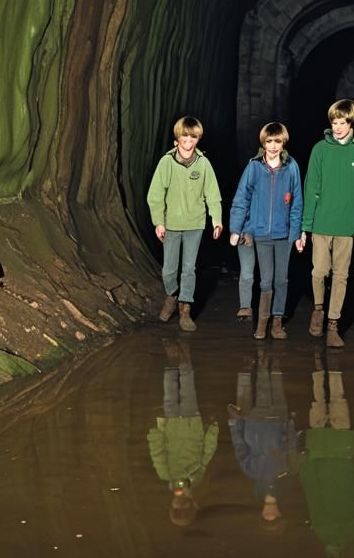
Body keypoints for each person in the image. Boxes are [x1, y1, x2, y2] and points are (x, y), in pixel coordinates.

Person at [299, 99, 354, 348]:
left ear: (351, 123)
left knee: (341, 276)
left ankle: (333, 324)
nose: (337, 127)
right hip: (321, 223)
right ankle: (318, 308)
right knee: (319, 271)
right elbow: (311, 188)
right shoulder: (320, 149)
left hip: (347, 226)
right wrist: (306, 227)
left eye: (342, 123)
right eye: (334, 122)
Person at [146, 115, 222, 331]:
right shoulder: (167, 162)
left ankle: (185, 308)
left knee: (189, 268)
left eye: (193, 136)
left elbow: (213, 194)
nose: (188, 140)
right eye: (185, 136)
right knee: (169, 269)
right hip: (171, 224)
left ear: (198, 139)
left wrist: (216, 220)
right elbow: (155, 195)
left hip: (195, 224)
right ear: (177, 137)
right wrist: (158, 222)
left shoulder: (203, 164)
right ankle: (172, 294)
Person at [229, 122, 304, 339]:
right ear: (263, 143)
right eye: (269, 141)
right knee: (266, 280)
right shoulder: (254, 167)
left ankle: (277, 322)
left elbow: (297, 202)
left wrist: (296, 233)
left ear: (283, 143)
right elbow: (241, 198)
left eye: (277, 141)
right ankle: (262, 322)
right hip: (261, 233)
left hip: (284, 234)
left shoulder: (291, 167)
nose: (273, 146)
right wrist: (236, 228)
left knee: (282, 279)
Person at [297, 352, 354, 555]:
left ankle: (324, 368)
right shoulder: (349, 532)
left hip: (335, 454)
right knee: (327, 403)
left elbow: (314, 496)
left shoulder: (351, 532)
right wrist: (306, 465)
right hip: (331, 454)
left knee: (328, 403)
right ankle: (325, 368)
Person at [147, 340, 219, 527]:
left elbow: (157, 453)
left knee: (170, 393)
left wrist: (154, 434)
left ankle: (173, 361)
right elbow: (208, 452)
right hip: (190, 424)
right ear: (192, 504)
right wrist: (213, 430)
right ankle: (184, 358)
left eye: (176, 508)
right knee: (187, 389)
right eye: (184, 508)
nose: (180, 505)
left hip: (171, 426)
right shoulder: (196, 478)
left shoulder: (166, 474)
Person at [228, 353, 296, 532]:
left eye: (267, 515)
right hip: (276, 420)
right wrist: (289, 425)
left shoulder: (250, 471)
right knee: (274, 382)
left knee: (245, 388)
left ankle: (252, 359)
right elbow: (291, 446)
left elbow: (239, 445)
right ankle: (274, 355)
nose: (270, 511)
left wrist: (234, 422)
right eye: (273, 515)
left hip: (251, 422)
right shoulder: (285, 474)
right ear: (280, 513)